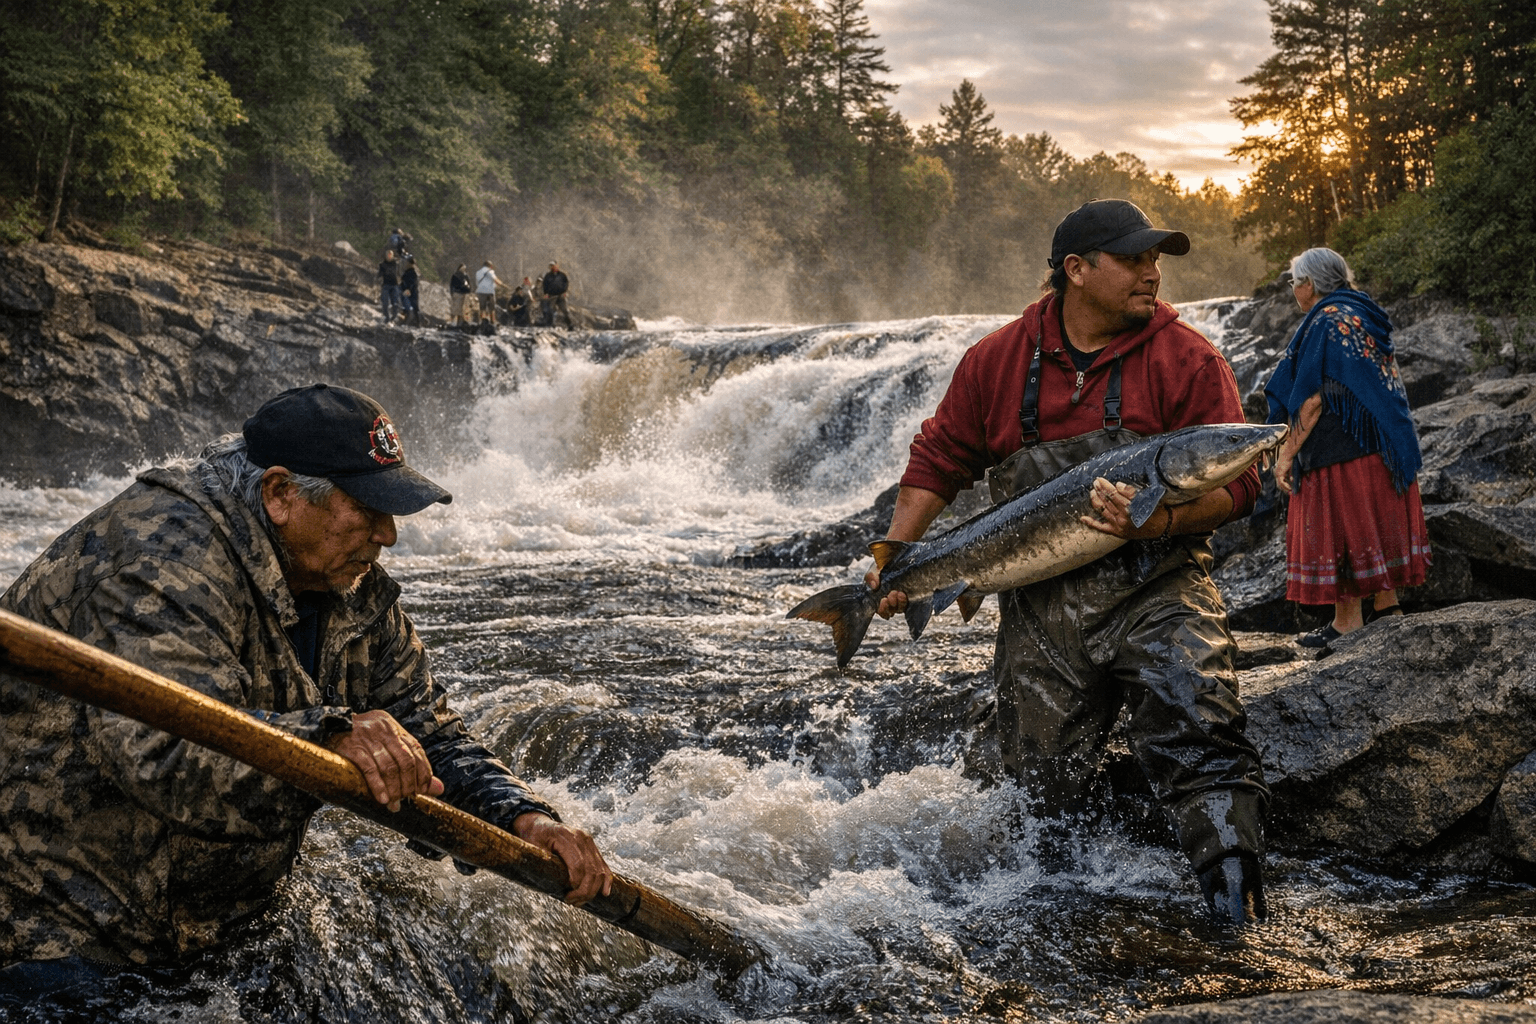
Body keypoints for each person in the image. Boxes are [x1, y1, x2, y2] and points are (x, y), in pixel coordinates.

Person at [0, 384, 614, 1001]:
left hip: (207, 921)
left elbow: (428, 730)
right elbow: (166, 758)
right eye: (368, 508)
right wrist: (331, 738)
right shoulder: (160, 557)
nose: (389, 535)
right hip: (49, 919)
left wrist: (522, 817)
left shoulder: (349, 580)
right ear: (281, 494)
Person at [866, 199, 1271, 925]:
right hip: (1039, 603)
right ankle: (1057, 925)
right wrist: (895, 560)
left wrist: (1163, 518)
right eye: (1136, 259)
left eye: (1158, 259)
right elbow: (941, 457)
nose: (1154, 273)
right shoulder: (995, 361)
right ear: (1076, 271)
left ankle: (1239, 919)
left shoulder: (1190, 359)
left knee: (1202, 724)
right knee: (1037, 780)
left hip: (1161, 583)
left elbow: (1242, 484)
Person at [1264, 247, 1431, 648]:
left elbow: (1313, 397)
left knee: (1341, 527)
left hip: (1342, 453)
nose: (1293, 289)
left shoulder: (1325, 322)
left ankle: (1347, 622)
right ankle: (1387, 605)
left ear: (1309, 284)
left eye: (1294, 282)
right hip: (1385, 444)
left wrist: (1285, 454)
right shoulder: (1363, 313)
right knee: (1372, 523)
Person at [541, 261, 571, 328]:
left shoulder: (562, 275)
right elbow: (544, 285)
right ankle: (550, 325)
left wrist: (565, 292)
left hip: (561, 295)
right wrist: (546, 293)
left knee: (565, 310)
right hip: (552, 295)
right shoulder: (547, 276)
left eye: (553, 265)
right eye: (551, 266)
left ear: (556, 266)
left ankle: (570, 325)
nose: (552, 267)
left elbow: (566, 284)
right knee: (550, 310)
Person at [378, 250, 403, 323]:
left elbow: (400, 273)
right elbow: (379, 274)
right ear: (386, 255)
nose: (389, 256)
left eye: (390, 255)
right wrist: (378, 279)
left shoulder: (396, 264)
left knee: (395, 303)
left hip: (394, 285)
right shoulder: (382, 264)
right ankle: (387, 318)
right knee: (385, 303)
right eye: (388, 254)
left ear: (392, 255)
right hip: (386, 285)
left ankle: (393, 318)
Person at [475, 260, 499, 327]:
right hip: (490, 292)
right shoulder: (491, 272)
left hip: (481, 291)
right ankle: (492, 321)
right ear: (490, 266)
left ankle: (482, 321)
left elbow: (477, 283)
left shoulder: (478, 272)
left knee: (482, 308)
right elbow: (495, 281)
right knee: (492, 308)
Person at [449, 262, 473, 327]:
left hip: (457, 293)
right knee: (459, 309)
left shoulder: (455, 275)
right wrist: (469, 291)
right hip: (461, 293)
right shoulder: (465, 276)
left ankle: (453, 323)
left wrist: (452, 293)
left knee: (456, 308)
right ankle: (457, 323)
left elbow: (451, 285)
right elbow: (469, 285)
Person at [400, 258, 421, 327]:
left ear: (410, 264)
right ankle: (405, 322)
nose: (405, 264)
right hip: (407, 292)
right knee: (406, 308)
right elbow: (403, 282)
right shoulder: (407, 272)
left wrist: (408, 289)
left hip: (412, 292)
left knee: (414, 308)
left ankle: (417, 324)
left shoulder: (413, 272)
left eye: (406, 262)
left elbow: (413, 283)